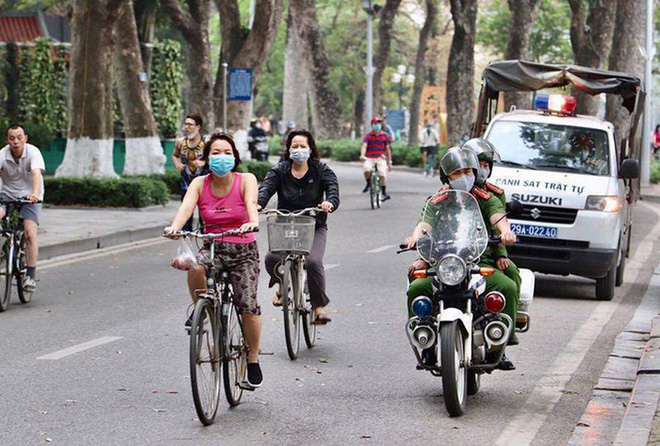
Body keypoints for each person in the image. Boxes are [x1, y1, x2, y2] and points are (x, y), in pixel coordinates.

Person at [402, 146, 518, 370]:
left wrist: (505, 231)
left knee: (507, 286)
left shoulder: (485, 198)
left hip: (479, 263)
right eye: (456, 173)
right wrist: (414, 238)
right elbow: (424, 225)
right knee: (417, 289)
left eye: (467, 171)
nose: (463, 177)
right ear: (447, 177)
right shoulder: (437, 201)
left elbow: (498, 218)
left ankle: (498, 347)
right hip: (444, 264)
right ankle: (426, 343)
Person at [164, 132, 263, 387]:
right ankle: (202, 309)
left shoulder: (246, 179)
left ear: (235, 157)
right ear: (207, 159)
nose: (221, 157)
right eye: (215, 153)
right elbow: (186, 207)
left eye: (227, 152)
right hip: (212, 248)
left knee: (248, 305)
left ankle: (252, 358)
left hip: (243, 251)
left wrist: (252, 222)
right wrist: (175, 227)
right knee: (194, 266)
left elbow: (252, 203)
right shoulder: (200, 183)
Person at [258, 129, 340, 324]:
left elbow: (333, 189)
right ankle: (281, 285)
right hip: (285, 224)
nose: (299, 150)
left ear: (310, 149)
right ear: (288, 150)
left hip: (314, 225)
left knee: (312, 262)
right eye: (294, 146)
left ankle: (319, 307)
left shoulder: (321, 170)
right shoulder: (279, 170)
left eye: (303, 146)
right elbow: (266, 188)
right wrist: (259, 203)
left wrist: (330, 203)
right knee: (271, 259)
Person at [463, 138, 521, 346]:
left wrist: (501, 254)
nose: (483, 170)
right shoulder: (449, 194)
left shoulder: (494, 195)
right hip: (453, 257)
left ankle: (504, 337)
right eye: (479, 165)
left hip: (487, 251)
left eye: (487, 166)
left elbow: (499, 222)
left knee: (511, 277)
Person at [0, 124, 45, 292]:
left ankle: (30, 276)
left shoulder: (33, 152)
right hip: (7, 195)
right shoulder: (2, 155)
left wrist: (34, 194)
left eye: (19, 138)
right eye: (12, 138)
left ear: (25, 138)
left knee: (29, 233)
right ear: (7, 140)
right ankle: (4, 245)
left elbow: (36, 174)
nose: (16, 142)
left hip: (30, 197)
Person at [172, 113, 208, 232]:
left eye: (190, 125)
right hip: (186, 182)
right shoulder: (180, 142)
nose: (186, 127)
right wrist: (177, 163)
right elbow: (174, 155)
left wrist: (205, 162)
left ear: (198, 127)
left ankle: (206, 236)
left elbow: (214, 156)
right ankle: (186, 236)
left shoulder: (206, 143)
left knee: (204, 211)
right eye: (185, 124)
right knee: (186, 209)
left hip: (203, 183)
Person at [360, 116, 392, 201]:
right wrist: (362, 155)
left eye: (378, 123)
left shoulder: (385, 136)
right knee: (366, 169)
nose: (377, 125)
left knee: (382, 173)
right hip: (369, 157)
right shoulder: (368, 136)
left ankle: (384, 193)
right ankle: (368, 184)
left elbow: (388, 149)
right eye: (375, 123)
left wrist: (389, 162)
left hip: (381, 158)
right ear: (372, 125)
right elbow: (364, 146)